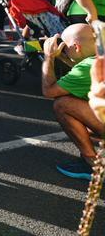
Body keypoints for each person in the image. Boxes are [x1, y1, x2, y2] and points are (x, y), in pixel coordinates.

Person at [40, 24, 100, 179]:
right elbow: (82, 72)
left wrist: (48, 57)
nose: (64, 50)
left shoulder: (87, 67)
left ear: (76, 47)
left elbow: (49, 91)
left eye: (65, 47)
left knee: (63, 104)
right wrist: (64, 57)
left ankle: (92, 164)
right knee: (84, 125)